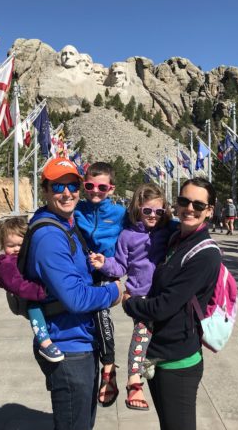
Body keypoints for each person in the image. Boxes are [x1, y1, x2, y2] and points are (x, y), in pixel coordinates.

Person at [24, 157, 122, 430]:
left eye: (72, 185)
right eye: (57, 187)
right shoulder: (50, 236)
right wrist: (114, 291)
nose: (67, 193)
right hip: (68, 348)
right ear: (45, 190)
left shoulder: (67, 223)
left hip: (81, 342)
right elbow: (75, 299)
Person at [123, 177, 221, 430]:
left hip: (178, 361)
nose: (190, 208)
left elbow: (164, 306)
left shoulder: (206, 254)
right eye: (184, 201)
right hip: (159, 353)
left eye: (198, 205)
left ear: (209, 211)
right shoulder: (175, 237)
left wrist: (129, 302)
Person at [90, 183, 176, 411]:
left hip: (166, 295)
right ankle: (134, 381)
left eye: (159, 211)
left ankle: (151, 370)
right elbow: (120, 266)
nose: (153, 216)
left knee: (160, 338)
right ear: (138, 209)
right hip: (141, 296)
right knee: (142, 332)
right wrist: (104, 263)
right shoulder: (127, 236)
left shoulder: (169, 230)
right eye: (148, 211)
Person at [74, 161, 126, 407]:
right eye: (90, 185)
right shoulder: (76, 209)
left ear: (111, 189)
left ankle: (108, 365)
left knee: (100, 308)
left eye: (102, 187)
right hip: (82, 271)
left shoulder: (119, 214)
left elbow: (148, 226)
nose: (96, 190)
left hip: (106, 270)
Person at [0, 217, 64, 362]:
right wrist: (40, 291)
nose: (16, 249)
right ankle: (45, 343)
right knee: (34, 309)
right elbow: (18, 285)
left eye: (20, 244)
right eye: (10, 245)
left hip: (32, 292)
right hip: (24, 298)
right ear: (2, 245)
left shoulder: (27, 255)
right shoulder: (7, 263)